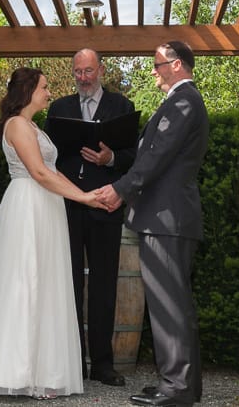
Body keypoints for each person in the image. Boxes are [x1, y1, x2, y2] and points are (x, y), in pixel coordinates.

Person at [0, 67, 108, 400]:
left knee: (45, 283)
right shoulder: (17, 125)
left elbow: (53, 172)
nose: (49, 92)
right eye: (44, 87)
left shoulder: (32, 127)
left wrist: (86, 194)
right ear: (28, 91)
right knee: (25, 282)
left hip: (46, 207)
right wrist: (84, 199)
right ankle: (16, 372)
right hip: (27, 206)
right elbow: (39, 173)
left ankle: (44, 372)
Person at [95, 41, 209, 407]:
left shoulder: (184, 102)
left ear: (176, 65)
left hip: (166, 218)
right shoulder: (182, 102)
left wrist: (120, 190)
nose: (154, 70)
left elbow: (157, 156)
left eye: (158, 64)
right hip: (166, 217)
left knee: (168, 304)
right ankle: (182, 384)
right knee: (174, 303)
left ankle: (176, 388)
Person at [46, 49, 136, 387]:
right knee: (67, 283)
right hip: (66, 207)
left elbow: (134, 157)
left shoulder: (122, 106)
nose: (83, 78)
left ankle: (102, 364)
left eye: (88, 71)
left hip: (105, 208)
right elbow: (47, 158)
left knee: (104, 286)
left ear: (101, 70)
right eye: (78, 72)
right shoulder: (59, 108)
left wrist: (110, 158)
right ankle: (72, 362)